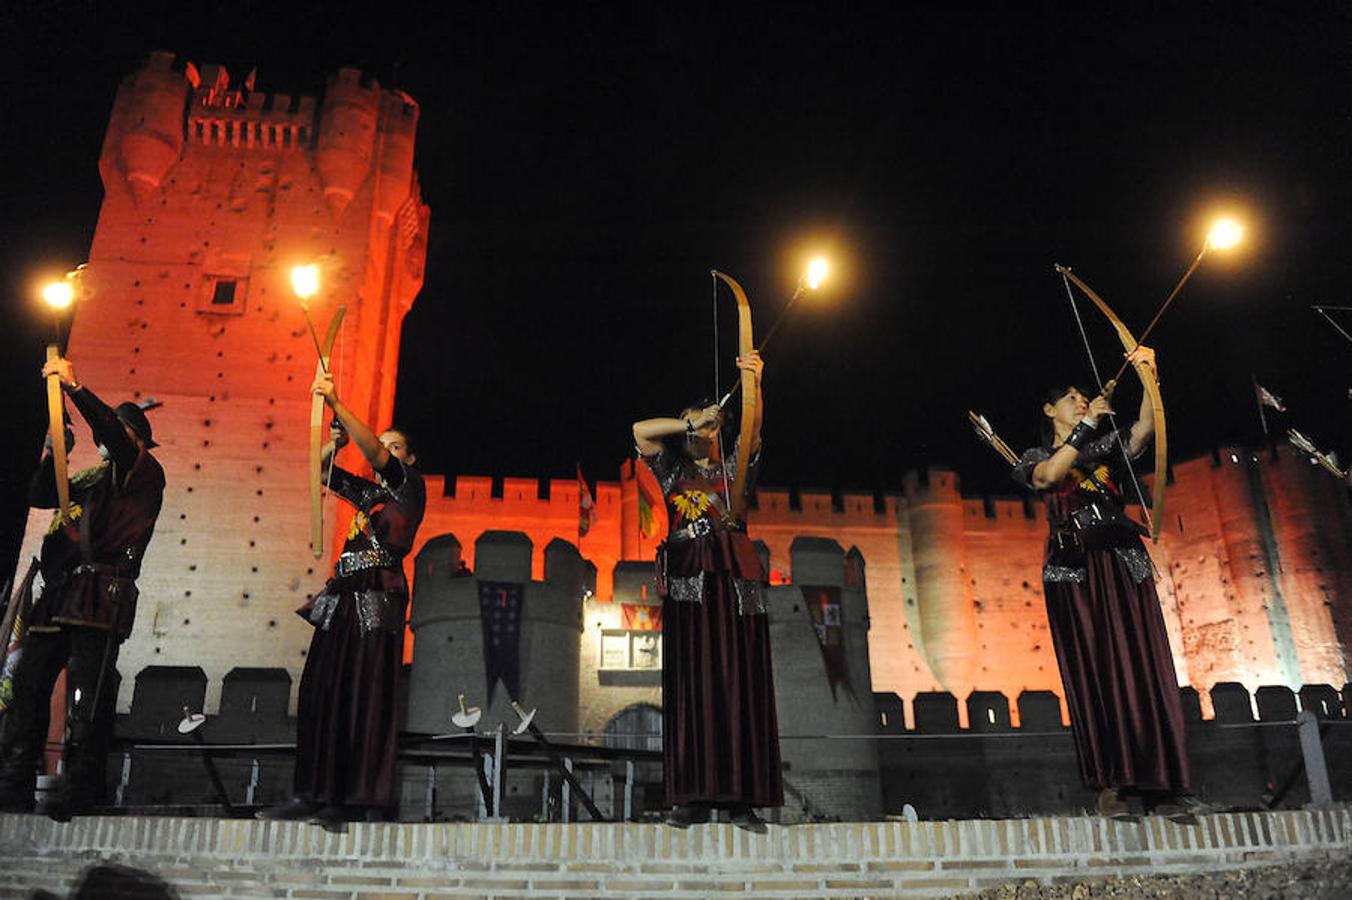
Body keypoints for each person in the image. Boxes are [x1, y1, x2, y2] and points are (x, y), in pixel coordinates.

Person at [1011, 346, 1195, 819]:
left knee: (1144, 668)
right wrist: (1087, 424)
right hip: (1075, 570)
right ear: (1050, 409)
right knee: (1096, 673)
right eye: (1070, 397)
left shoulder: (1105, 448)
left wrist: (1149, 376)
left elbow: (1145, 429)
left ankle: (1163, 784)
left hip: (1123, 562)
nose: (1080, 400)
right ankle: (1112, 783)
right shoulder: (1035, 455)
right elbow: (1051, 475)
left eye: (1083, 396)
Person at [0, 355, 165, 818]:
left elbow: (114, 434)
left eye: (119, 433)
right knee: (30, 687)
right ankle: (12, 783)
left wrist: (74, 387)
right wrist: (56, 451)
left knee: (86, 699)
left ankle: (81, 787)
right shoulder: (93, 480)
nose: (111, 439)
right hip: (58, 594)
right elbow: (39, 494)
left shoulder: (144, 473)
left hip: (99, 594)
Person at [258, 371, 425, 826]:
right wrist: (334, 440)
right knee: (322, 691)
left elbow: (373, 451)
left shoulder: (409, 488)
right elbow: (321, 472)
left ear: (409, 457)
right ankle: (311, 793)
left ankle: (351, 798)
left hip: (377, 596)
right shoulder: (369, 493)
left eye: (395, 447)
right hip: (343, 595)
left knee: (361, 697)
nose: (385, 452)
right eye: (384, 445)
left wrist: (338, 402)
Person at [632, 349, 782, 831]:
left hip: (736, 585)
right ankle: (692, 797)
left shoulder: (735, 468)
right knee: (692, 687)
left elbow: (753, 429)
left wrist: (752, 381)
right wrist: (691, 422)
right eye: (697, 428)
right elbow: (640, 431)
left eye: (715, 427)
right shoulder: (673, 470)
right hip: (689, 585)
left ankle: (742, 799)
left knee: (740, 686)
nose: (707, 435)